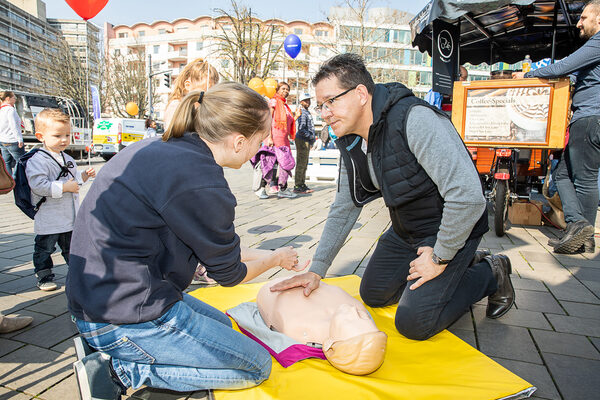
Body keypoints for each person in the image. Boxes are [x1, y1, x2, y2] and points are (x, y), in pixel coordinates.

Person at [66, 83, 310, 399]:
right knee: (256, 366)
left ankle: (109, 347)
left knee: (227, 325)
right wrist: (276, 259)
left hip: (99, 298)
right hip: (124, 316)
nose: (260, 150)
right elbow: (230, 274)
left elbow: (218, 251)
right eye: (260, 141)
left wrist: (271, 254)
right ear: (238, 141)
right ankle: (118, 371)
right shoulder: (204, 185)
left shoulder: (162, 149)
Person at [270, 53, 515, 341]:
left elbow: (468, 197)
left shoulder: (414, 119)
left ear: (361, 94)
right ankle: (455, 271)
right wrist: (318, 269)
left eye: (331, 101)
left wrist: (439, 256)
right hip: (405, 231)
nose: (324, 113)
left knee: (414, 322)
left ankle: (490, 271)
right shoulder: (349, 139)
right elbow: (345, 206)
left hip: (452, 229)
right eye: (321, 105)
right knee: (373, 294)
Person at [514, 0, 600, 254]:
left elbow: (564, 66)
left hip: (589, 117)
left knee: (580, 178)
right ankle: (583, 235)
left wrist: (527, 76)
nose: (579, 22)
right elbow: (573, 75)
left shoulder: (598, 42)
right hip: (590, 117)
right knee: (564, 172)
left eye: (584, 18)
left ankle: (580, 228)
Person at [256, 277, 387, 375]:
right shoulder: (354, 308)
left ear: (331, 344)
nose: (354, 311)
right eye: (363, 316)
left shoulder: (299, 326)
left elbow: (274, 306)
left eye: (351, 320)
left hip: (273, 289)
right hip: (301, 281)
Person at [26, 109, 95, 291]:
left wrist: (84, 176)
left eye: (67, 135)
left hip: (69, 217)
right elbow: (38, 185)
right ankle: (44, 275)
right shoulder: (37, 160)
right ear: (41, 136)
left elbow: (73, 180)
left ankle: (79, 273)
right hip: (50, 216)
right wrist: (64, 187)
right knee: (45, 249)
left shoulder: (68, 158)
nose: (64, 140)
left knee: (72, 248)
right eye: (57, 135)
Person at [260, 82, 297, 198]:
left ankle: (283, 189)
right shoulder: (274, 102)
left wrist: (296, 117)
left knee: (285, 164)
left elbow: (288, 123)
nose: (285, 91)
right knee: (269, 164)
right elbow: (268, 120)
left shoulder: (285, 106)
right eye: (283, 89)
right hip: (273, 139)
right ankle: (261, 189)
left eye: (287, 89)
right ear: (277, 90)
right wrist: (269, 137)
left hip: (283, 140)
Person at [163, 58, 219, 128]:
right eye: (203, 94)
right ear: (188, 85)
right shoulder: (176, 107)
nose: (207, 98)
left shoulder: (202, 109)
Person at [293, 93, 316, 194]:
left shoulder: (307, 112)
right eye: (306, 100)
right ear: (301, 102)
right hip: (302, 140)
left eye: (309, 100)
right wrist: (311, 137)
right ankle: (298, 185)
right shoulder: (302, 112)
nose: (308, 102)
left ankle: (302, 184)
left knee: (304, 163)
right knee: (301, 163)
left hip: (305, 140)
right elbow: (301, 129)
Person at [0, 91, 25, 176]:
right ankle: (17, 180)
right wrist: (20, 139)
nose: (15, 99)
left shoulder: (1, 109)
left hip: (3, 140)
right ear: (8, 98)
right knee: (21, 161)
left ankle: (10, 182)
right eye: (14, 98)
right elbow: (13, 125)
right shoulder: (10, 109)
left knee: (6, 163)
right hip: (12, 140)